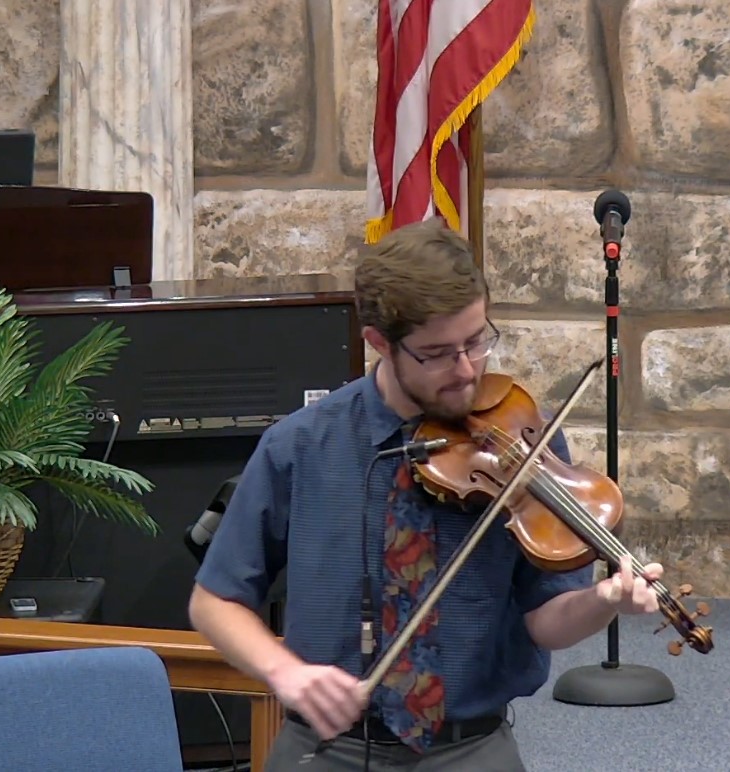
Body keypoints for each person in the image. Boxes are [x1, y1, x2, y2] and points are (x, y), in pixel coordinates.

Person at [188, 218, 664, 771]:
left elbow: (546, 619)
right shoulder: (300, 445)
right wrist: (285, 672)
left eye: (477, 340)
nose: (466, 371)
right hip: (328, 749)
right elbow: (214, 600)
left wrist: (602, 602)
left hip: (471, 747)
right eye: (437, 354)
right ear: (379, 344)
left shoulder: (523, 440)